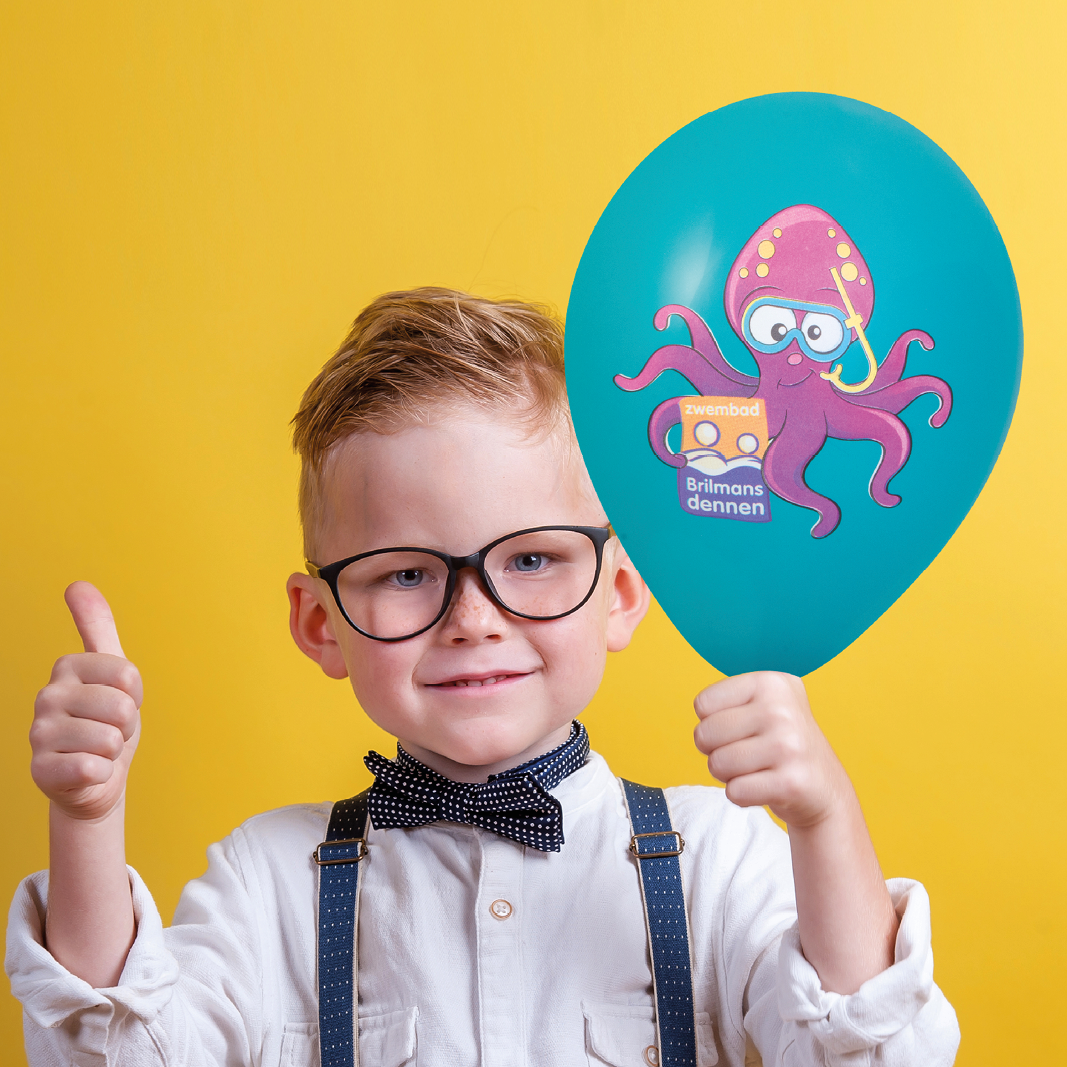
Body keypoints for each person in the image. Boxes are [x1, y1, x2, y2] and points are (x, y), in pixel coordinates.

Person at [6, 288, 959, 1066]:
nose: (473, 618)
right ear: (319, 623)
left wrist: (825, 817)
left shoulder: (717, 857)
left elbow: (876, 1055)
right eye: (405, 574)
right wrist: (87, 820)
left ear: (620, 591)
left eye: (532, 559)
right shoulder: (266, 881)